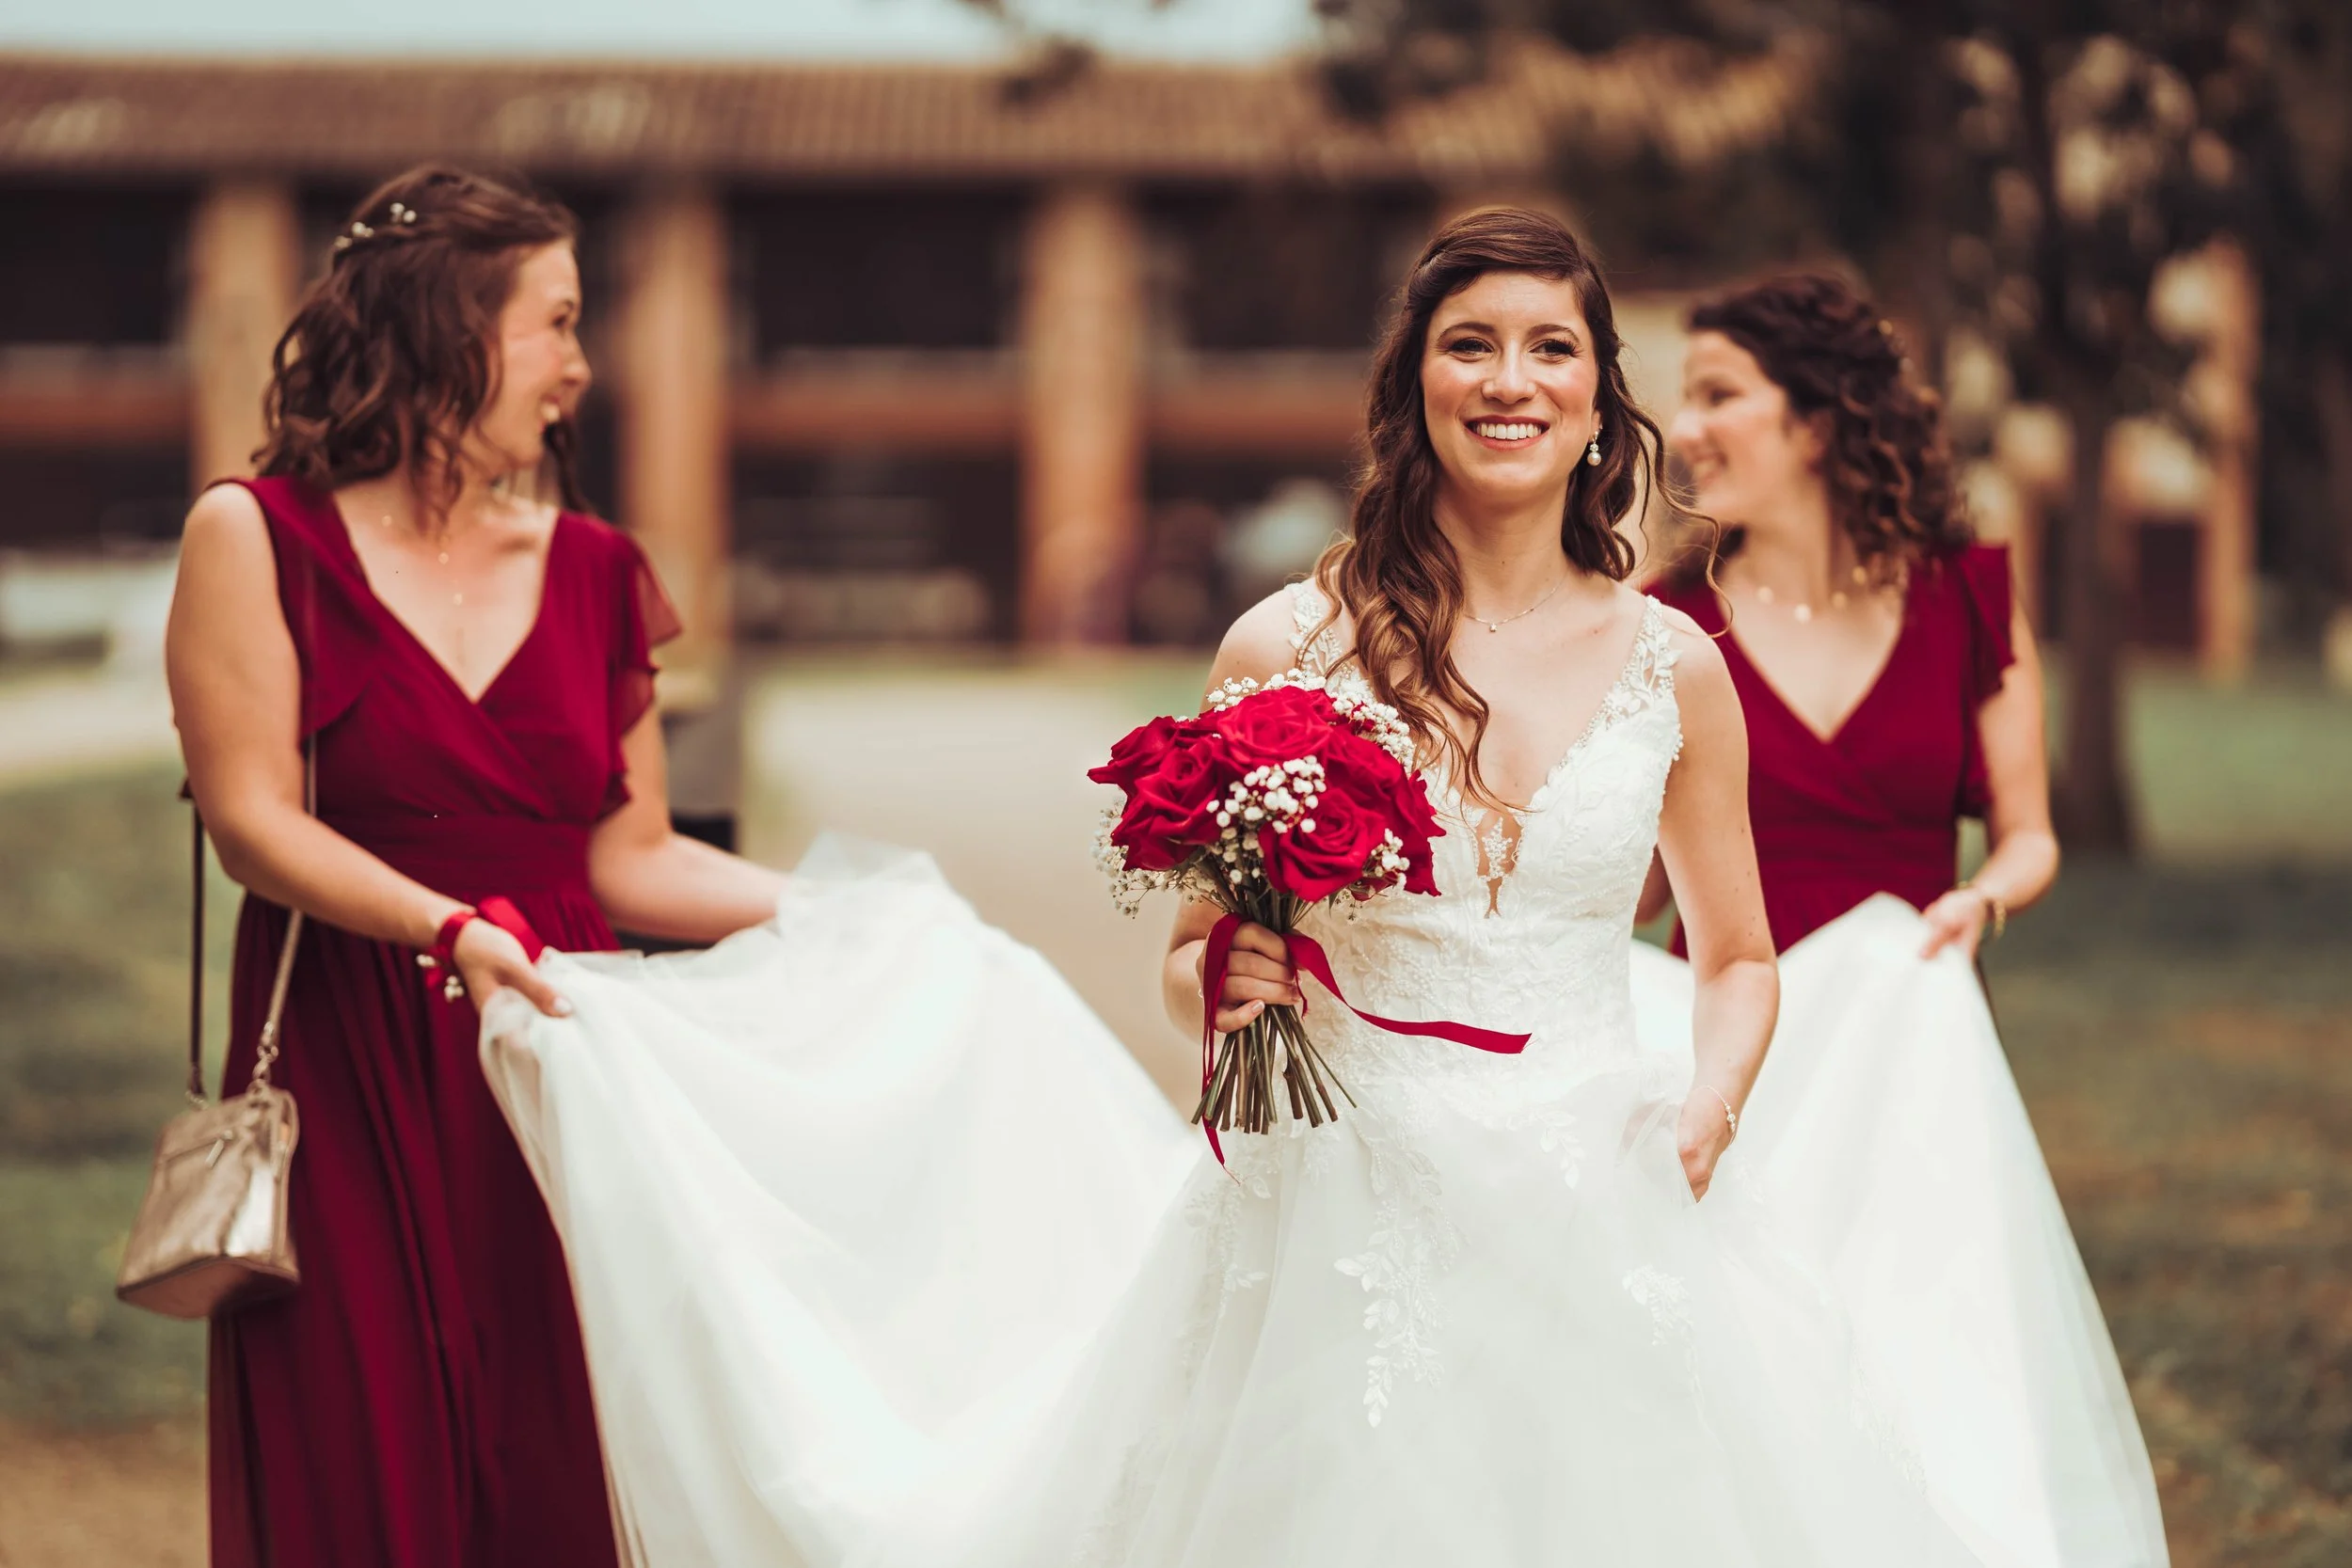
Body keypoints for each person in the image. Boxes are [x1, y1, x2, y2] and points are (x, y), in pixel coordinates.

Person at [477, 209, 1988, 1566]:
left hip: (1611, 1180)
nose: (1509, 380)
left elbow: (1736, 955)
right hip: (1341, 1197)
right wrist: (1225, 982)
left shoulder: (1679, 670)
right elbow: (1193, 952)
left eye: (1551, 349)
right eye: (1470, 346)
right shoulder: (1285, 649)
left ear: (1600, 400)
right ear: (1414, 391)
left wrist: (1709, 1102)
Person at [165, 165, 786, 1566]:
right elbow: (252, 820)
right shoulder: (255, 538)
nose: (583, 363)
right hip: (353, 1055)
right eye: (555, 322)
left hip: (562, 1059)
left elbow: (630, 857)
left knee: (550, 1443)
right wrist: (450, 929)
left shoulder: (596, 568)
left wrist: (848, 916)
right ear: (446, 327)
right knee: (361, 1452)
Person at [1634, 273, 2169, 1566]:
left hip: (1909, 1053)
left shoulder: (1967, 593)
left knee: (1913, 1339)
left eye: (1717, 394)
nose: (1683, 426)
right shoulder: (1665, 625)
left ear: (1816, 421)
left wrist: (1986, 897)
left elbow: (2028, 829)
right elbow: (1635, 874)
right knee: (1740, 1351)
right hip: (1730, 1049)